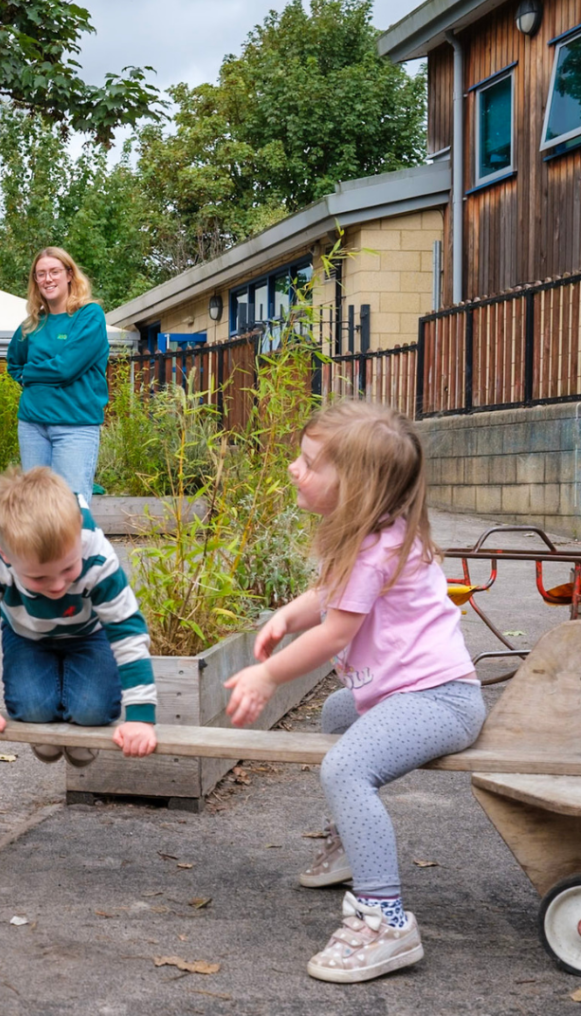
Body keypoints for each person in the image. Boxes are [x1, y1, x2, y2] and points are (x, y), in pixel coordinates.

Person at [224, 400, 485, 984]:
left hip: (439, 699)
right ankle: (351, 846)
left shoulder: (377, 549)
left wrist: (269, 674)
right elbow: (326, 595)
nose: (296, 468)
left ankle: (384, 920)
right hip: (406, 693)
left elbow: (336, 630)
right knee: (338, 716)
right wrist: (286, 617)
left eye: (311, 463)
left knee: (344, 769)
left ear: (359, 489)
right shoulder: (370, 536)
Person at [0, 466, 158, 765]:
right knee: (32, 710)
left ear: (78, 529)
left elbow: (127, 630)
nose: (56, 586)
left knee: (92, 710)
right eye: (38, 578)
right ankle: (46, 737)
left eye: (68, 569)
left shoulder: (97, 554)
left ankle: (79, 740)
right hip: (27, 635)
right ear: (5, 553)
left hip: (88, 634)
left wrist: (141, 717)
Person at [6, 248, 109, 503]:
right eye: (41, 274)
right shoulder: (31, 324)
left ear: (69, 275)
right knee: (36, 508)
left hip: (75, 425)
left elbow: (66, 368)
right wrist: (33, 372)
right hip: (32, 425)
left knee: (70, 509)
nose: (48, 279)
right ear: (36, 281)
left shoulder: (89, 316)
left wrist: (31, 372)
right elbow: (13, 364)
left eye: (54, 272)